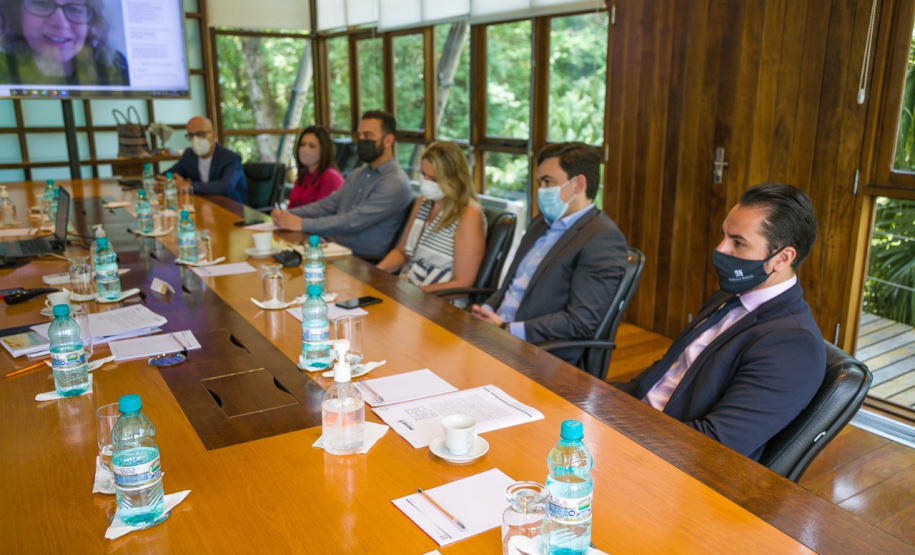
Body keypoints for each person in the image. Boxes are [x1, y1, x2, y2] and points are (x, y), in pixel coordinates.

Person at [613, 183, 825, 461]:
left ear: (782, 258)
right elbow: (667, 369)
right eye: (724, 235)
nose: (720, 248)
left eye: (738, 243)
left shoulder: (794, 346)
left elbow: (714, 444)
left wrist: (620, 431)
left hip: (668, 461)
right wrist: (600, 402)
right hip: (635, 426)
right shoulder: (727, 296)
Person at [471, 142, 629, 367]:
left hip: (537, 353)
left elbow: (581, 321)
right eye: (539, 182)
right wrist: (486, 309)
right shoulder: (540, 224)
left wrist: (507, 329)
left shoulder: (602, 239)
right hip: (495, 332)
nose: (541, 190)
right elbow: (515, 285)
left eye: (548, 182)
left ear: (578, 184)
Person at [271, 110, 412, 260]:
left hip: (362, 260)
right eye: (360, 135)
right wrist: (289, 214)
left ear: (388, 140)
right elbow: (328, 204)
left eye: (368, 135)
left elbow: (352, 221)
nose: (362, 140)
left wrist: (301, 224)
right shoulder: (358, 173)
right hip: (334, 248)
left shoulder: (395, 182)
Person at [376, 141, 486, 299]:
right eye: (423, 175)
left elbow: (462, 284)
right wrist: (376, 274)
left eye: (433, 179)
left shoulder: (468, 214)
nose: (426, 183)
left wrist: (410, 294)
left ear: (454, 179)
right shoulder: (423, 202)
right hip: (407, 292)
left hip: (438, 303)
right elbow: (402, 252)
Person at [0, 0, 129, 86]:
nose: (61, 24)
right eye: (42, 4)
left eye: (74, 9)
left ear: (91, 23)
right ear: (16, 12)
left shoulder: (115, 68)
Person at [161, 116, 247, 204]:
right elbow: (171, 174)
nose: (195, 140)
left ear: (214, 136)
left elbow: (226, 186)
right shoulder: (189, 155)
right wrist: (163, 182)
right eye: (191, 135)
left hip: (231, 208)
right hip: (203, 204)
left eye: (200, 134)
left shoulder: (230, 158)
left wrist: (188, 186)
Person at [288, 126, 343, 209]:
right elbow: (292, 206)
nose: (305, 149)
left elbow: (321, 213)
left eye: (312, 146)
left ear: (323, 150)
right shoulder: (303, 175)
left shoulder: (330, 177)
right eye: (302, 145)